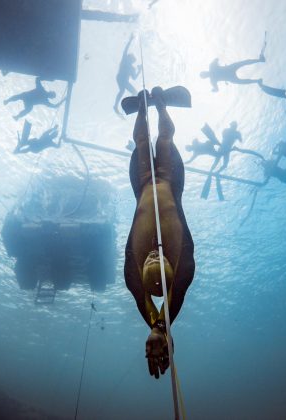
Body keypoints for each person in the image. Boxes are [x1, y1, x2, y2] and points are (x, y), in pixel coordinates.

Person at [124, 86, 195, 379]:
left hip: (142, 184)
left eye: (149, 261)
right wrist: (164, 328)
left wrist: (154, 328)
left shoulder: (132, 276)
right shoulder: (183, 269)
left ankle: (143, 107)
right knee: (165, 138)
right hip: (168, 179)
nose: (153, 255)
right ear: (171, 272)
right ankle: (162, 104)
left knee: (142, 140)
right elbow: (175, 297)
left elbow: (144, 303)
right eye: (159, 261)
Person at [114, 35, 141, 115]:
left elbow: (134, 78)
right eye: (131, 59)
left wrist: (139, 70)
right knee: (122, 91)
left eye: (132, 60)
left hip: (124, 81)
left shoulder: (132, 68)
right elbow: (125, 50)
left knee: (134, 92)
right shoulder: (124, 60)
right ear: (129, 58)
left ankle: (130, 105)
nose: (131, 61)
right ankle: (115, 106)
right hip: (120, 78)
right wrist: (130, 40)